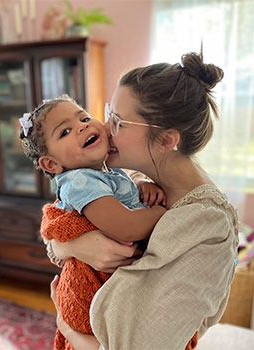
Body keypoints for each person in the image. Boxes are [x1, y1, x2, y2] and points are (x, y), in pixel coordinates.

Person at [47, 49, 239, 350]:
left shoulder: (208, 226)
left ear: (166, 140)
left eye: (119, 123)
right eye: (109, 114)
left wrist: (66, 327)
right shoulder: (135, 185)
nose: (104, 129)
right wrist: (70, 245)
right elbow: (59, 229)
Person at [19, 95, 167, 350]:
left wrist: (140, 186)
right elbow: (125, 226)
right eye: (65, 131)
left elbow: (122, 194)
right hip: (90, 285)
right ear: (52, 164)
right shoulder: (79, 181)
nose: (83, 126)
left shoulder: (106, 171)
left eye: (84, 117)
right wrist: (164, 213)